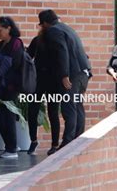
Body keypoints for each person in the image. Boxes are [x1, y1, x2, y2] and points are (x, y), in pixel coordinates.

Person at [39, 10, 91, 152]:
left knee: (69, 108)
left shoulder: (53, 31)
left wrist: (64, 75)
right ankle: (78, 141)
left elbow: (62, 52)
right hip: (83, 73)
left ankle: (67, 144)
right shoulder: (68, 28)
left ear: (44, 23)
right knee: (78, 106)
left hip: (72, 75)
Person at [0, 16, 24, 159]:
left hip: (11, 85)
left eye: (0, 30)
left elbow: (14, 63)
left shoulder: (16, 43)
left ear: (9, 28)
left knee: (8, 115)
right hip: (1, 84)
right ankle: (10, 144)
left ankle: (11, 148)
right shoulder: (0, 45)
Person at [26, 31, 62, 156]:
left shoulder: (58, 41)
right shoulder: (38, 40)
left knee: (53, 112)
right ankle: (33, 140)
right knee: (32, 110)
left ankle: (55, 144)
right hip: (39, 79)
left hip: (53, 81)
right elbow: (28, 56)